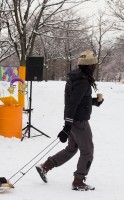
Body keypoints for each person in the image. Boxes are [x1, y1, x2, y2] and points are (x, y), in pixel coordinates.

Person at [35, 50, 104, 191]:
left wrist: (95, 102)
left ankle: (45, 166)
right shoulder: (82, 81)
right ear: (89, 66)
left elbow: (79, 101)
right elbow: (73, 104)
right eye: (94, 65)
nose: (95, 67)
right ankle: (78, 181)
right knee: (88, 151)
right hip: (78, 121)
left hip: (73, 120)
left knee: (72, 148)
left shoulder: (78, 78)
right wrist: (67, 126)